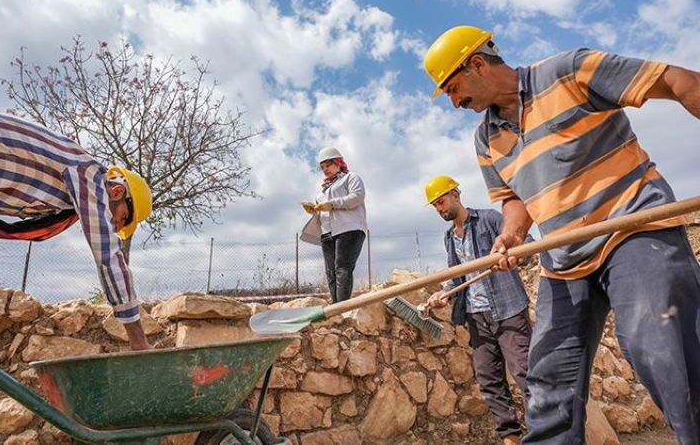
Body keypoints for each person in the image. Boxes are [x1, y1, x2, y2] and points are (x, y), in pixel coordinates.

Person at [423, 26, 700, 444]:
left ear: (477, 64)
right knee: (549, 381)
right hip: (564, 259)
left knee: (659, 346)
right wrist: (512, 235)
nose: (454, 101)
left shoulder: (568, 72)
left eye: (452, 87)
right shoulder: (486, 138)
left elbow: (680, 82)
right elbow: (515, 200)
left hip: (632, 228)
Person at [0, 103, 154, 374]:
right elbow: (108, 256)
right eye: (123, 219)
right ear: (116, 193)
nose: (116, 227)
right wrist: (139, 341)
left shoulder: (61, 181)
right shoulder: (89, 174)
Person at [424, 175, 531, 445]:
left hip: (508, 309)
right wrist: (444, 294)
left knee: (525, 372)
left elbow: (525, 245)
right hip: (476, 315)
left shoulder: (490, 219)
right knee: (489, 378)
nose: (440, 208)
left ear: (456, 194)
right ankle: (511, 438)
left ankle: (548, 433)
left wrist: (515, 255)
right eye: (435, 206)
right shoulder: (449, 237)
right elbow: (457, 277)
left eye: (441, 201)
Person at [300, 147, 367, 303]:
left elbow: (357, 197)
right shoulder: (322, 192)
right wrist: (314, 209)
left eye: (328, 165)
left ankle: (342, 306)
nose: (325, 170)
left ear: (338, 163)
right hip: (327, 233)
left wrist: (332, 204)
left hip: (349, 229)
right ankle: (335, 306)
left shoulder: (351, 178)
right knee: (331, 272)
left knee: (342, 267)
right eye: (322, 167)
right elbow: (326, 210)